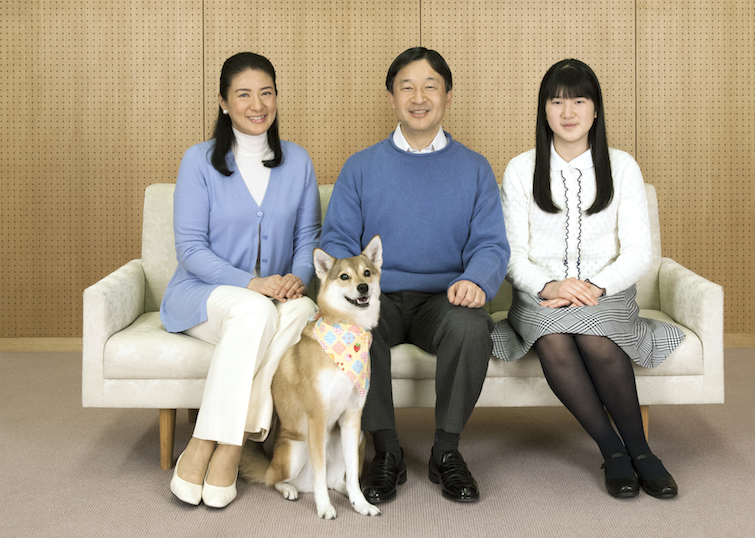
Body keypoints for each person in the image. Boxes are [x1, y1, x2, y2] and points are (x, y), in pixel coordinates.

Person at [320, 47, 509, 504]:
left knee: (471, 327)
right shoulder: (361, 167)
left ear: (447, 96)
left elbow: (491, 243)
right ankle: (386, 452)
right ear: (391, 98)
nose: (418, 97)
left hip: (443, 298)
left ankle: (447, 453)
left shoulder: (475, 168)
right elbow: (337, 241)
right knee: (355, 331)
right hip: (375, 296)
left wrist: (476, 281)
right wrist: (356, 290)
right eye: (407, 86)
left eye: (430, 87)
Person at [492, 59, 684, 499]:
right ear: (544, 111)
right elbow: (512, 255)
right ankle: (614, 450)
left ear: (596, 110)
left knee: (596, 338)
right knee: (555, 338)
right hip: (541, 295)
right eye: (556, 101)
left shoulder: (623, 166)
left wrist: (596, 287)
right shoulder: (521, 169)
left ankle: (641, 449)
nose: (568, 111)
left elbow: (640, 252)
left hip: (608, 291)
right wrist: (549, 286)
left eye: (579, 100)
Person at [160, 52, 320, 508]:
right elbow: (190, 251)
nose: (257, 104)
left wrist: (297, 278)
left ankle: (225, 442)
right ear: (223, 103)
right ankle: (214, 445)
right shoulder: (197, 162)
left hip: (272, 299)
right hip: (203, 296)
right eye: (244, 94)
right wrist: (252, 285)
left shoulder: (299, 162)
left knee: (303, 311)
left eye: (266, 92)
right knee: (254, 309)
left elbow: (309, 236)